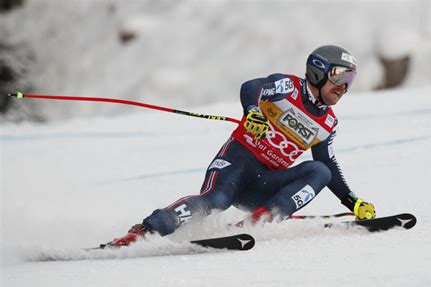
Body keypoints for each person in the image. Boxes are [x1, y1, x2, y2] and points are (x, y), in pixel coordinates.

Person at [106, 45, 376, 247]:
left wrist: (352, 201)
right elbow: (252, 87)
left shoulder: (328, 122)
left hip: (264, 182)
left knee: (319, 170)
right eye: (339, 77)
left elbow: (327, 164)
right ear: (318, 72)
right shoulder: (289, 86)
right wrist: (253, 111)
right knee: (217, 200)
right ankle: (146, 230)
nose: (343, 88)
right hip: (237, 164)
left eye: (349, 82)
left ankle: (262, 219)